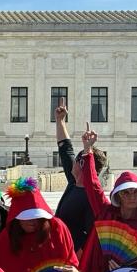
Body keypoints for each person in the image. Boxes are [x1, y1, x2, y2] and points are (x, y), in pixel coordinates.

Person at [79, 124, 137, 272]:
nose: (131, 196)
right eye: (126, 192)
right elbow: (92, 185)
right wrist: (87, 150)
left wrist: (128, 269)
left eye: (136, 192)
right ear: (118, 196)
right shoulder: (106, 212)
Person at [0, 177, 78, 272]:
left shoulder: (57, 228)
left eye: (36, 217)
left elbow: (71, 262)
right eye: (26, 217)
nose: (32, 222)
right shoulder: (5, 238)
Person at [54, 100, 106, 253]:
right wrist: (60, 120)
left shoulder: (92, 197)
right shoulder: (74, 182)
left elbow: (90, 235)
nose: (72, 164)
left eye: (77, 161)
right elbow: (65, 149)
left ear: (83, 165)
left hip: (73, 256)